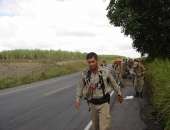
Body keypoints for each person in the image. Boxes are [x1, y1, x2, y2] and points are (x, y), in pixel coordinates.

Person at [75, 52, 123, 130]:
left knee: (104, 127)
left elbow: (113, 83)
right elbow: (80, 86)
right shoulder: (85, 73)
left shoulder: (105, 72)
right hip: (93, 104)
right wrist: (77, 99)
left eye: (93, 61)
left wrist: (119, 93)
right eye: (89, 62)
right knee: (95, 127)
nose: (91, 64)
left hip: (103, 103)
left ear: (97, 61)